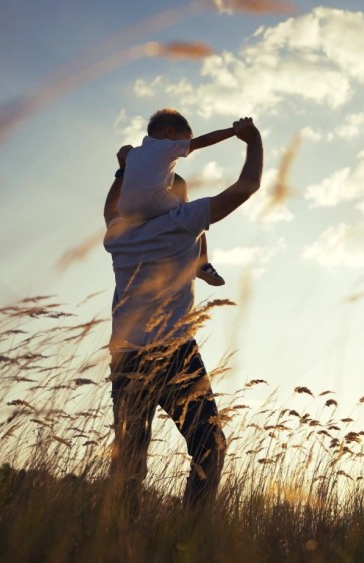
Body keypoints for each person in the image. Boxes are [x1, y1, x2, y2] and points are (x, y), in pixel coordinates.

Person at [102, 116, 263, 510]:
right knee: (210, 447)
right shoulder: (181, 222)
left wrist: (125, 168)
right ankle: (188, 538)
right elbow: (247, 187)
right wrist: (253, 140)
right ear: (172, 197)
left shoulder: (116, 233)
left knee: (129, 463)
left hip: (125, 358)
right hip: (174, 353)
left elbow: (112, 204)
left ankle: (117, 544)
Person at [112, 108, 234, 286]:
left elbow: (126, 162)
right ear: (169, 132)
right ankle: (202, 264)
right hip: (153, 202)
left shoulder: (133, 153)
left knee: (180, 184)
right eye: (186, 140)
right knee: (193, 213)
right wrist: (235, 131)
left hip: (126, 210)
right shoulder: (166, 146)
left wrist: (123, 162)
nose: (187, 146)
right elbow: (204, 141)